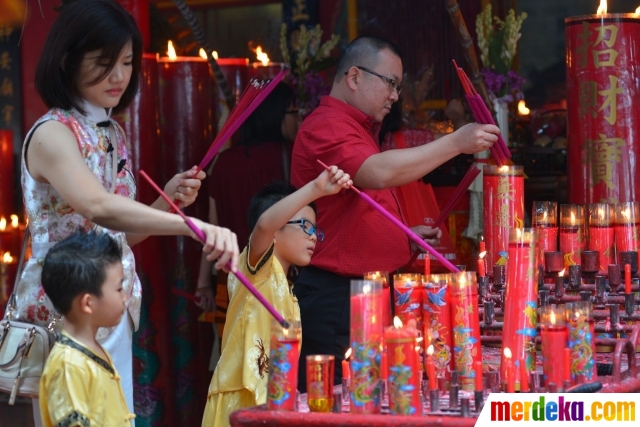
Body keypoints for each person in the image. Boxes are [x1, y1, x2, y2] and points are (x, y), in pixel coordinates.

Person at [20, 0, 239, 422]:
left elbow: (117, 234)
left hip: (109, 304)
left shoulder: (111, 132)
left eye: (126, 62)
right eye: (105, 63)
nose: (119, 76)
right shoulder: (52, 133)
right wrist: (189, 225)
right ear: (67, 60)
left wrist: (165, 202)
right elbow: (98, 206)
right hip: (62, 312)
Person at [290, 36, 500, 390]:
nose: (395, 96)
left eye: (398, 87)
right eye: (390, 84)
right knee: (339, 403)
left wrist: (405, 236)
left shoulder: (358, 127)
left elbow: (353, 208)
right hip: (336, 296)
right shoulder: (325, 125)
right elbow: (377, 172)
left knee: (368, 398)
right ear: (354, 77)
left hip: (361, 291)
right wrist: (455, 142)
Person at [202, 166, 352, 427]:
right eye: (305, 225)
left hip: (271, 403)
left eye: (315, 229)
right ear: (275, 231)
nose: (312, 236)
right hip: (239, 398)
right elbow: (263, 225)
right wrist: (315, 189)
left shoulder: (288, 287)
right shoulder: (257, 268)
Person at [195, 82, 299, 312]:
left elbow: (211, 228)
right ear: (276, 115)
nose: (298, 119)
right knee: (279, 346)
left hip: (231, 282)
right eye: (293, 111)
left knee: (236, 346)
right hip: (276, 282)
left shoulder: (222, 164)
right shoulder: (291, 157)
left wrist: (203, 284)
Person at [39, 230, 134, 426]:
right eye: (118, 289)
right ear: (88, 303)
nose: (125, 297)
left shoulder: (92, 350)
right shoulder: (69, 366)